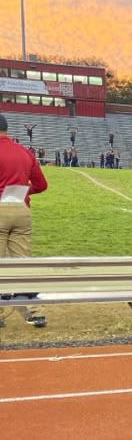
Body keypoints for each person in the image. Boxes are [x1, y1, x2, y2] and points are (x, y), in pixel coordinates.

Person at [0, 113, 48, 327]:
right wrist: (20, 191)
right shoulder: (25, 152)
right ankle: (35, 311)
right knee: (23, 261)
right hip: (21, 208)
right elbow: (42, 185)